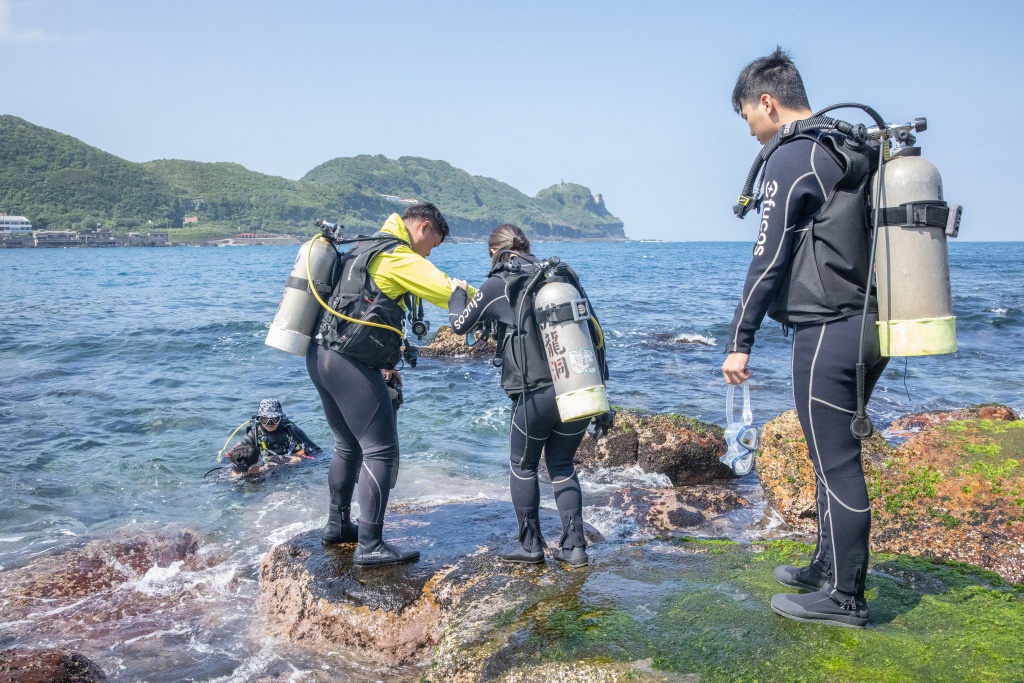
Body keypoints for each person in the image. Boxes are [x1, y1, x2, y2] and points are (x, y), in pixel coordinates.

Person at [722, 49, 888, 628]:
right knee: (827, 450)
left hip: (829, 326)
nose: (749, 129)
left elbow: (767, 257)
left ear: (767, 102)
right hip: (872, 322)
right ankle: (825, 567)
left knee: (835, 460)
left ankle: (845, 598)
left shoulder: (794, 154)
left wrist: (739, 339)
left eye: (746, 116)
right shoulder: (849, 145)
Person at [307, 202, 473, 565]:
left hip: (320, 356)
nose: (430, 253)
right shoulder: (399, 256)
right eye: (434, 244)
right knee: (379, 449)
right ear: (424, 227)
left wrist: (383, 363)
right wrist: (486, 297)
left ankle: (338, 526)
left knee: (347, 445)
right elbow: (446, 291)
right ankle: (370, 545)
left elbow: (357, 309)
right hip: (348, 361)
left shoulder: (363, 247)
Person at [448, 224, 608, 568]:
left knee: (523, 466)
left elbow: (459, 324)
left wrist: (457, 292)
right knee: (562, 465)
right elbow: (593, 329)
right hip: (579, 385)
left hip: (535, 394)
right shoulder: (560, 276)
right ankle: (575, 548)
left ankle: (531, 545)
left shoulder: (498, 283)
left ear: (495, 253)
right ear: (527, 246)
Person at [226, 398, 322, 477]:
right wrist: (249, 470)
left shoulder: (291, 431)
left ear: (280, 418)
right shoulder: (254, 435)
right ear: (259, 419)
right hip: (265, 471)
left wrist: (302, 458)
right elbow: (229, 459)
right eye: (265, 420)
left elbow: (317, 452)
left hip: (293, 470)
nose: (270, 424)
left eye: (274, 419)